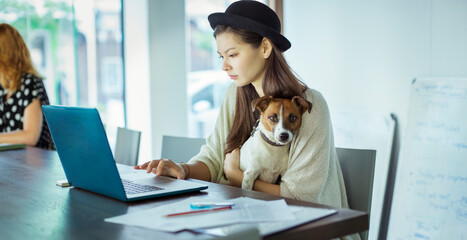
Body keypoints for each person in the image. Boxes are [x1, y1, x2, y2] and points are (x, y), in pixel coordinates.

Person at [135, 1, 349, 209]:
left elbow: (301, 197)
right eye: (221, 56)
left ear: (265, 47)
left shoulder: (308, 106)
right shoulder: (234, 94)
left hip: (312, 226)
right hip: (249, 215)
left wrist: (237, 177)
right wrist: (182, 169)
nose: (224, 66)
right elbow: (214, 159)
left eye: (232, 54)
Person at [0, 23, 54, 150]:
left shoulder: (31, 83)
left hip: (36, 164)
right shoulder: (2, 88)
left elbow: (30, 137)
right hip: (11, 162)